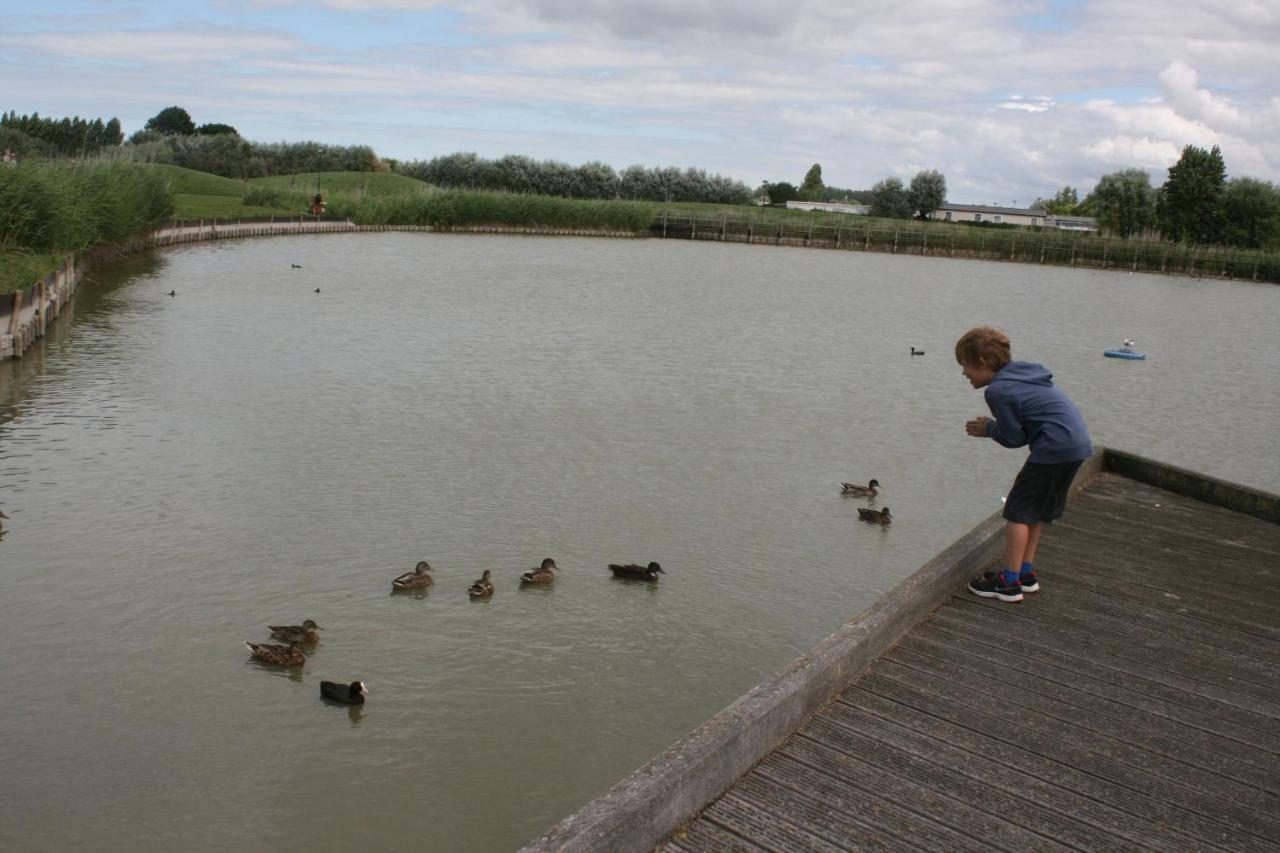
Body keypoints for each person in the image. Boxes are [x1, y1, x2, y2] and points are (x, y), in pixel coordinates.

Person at [956, 325, 1093, 602]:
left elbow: (1013, 438)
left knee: (1017, 513)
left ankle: (1009, 584)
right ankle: (1025, 574)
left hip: (1052, 449)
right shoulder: (1024, 375)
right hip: (1076, 446)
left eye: (965, 365)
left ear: (982, 362)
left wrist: (989, 428)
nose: (963, 373)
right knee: (1037, 512)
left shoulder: (998, 391)